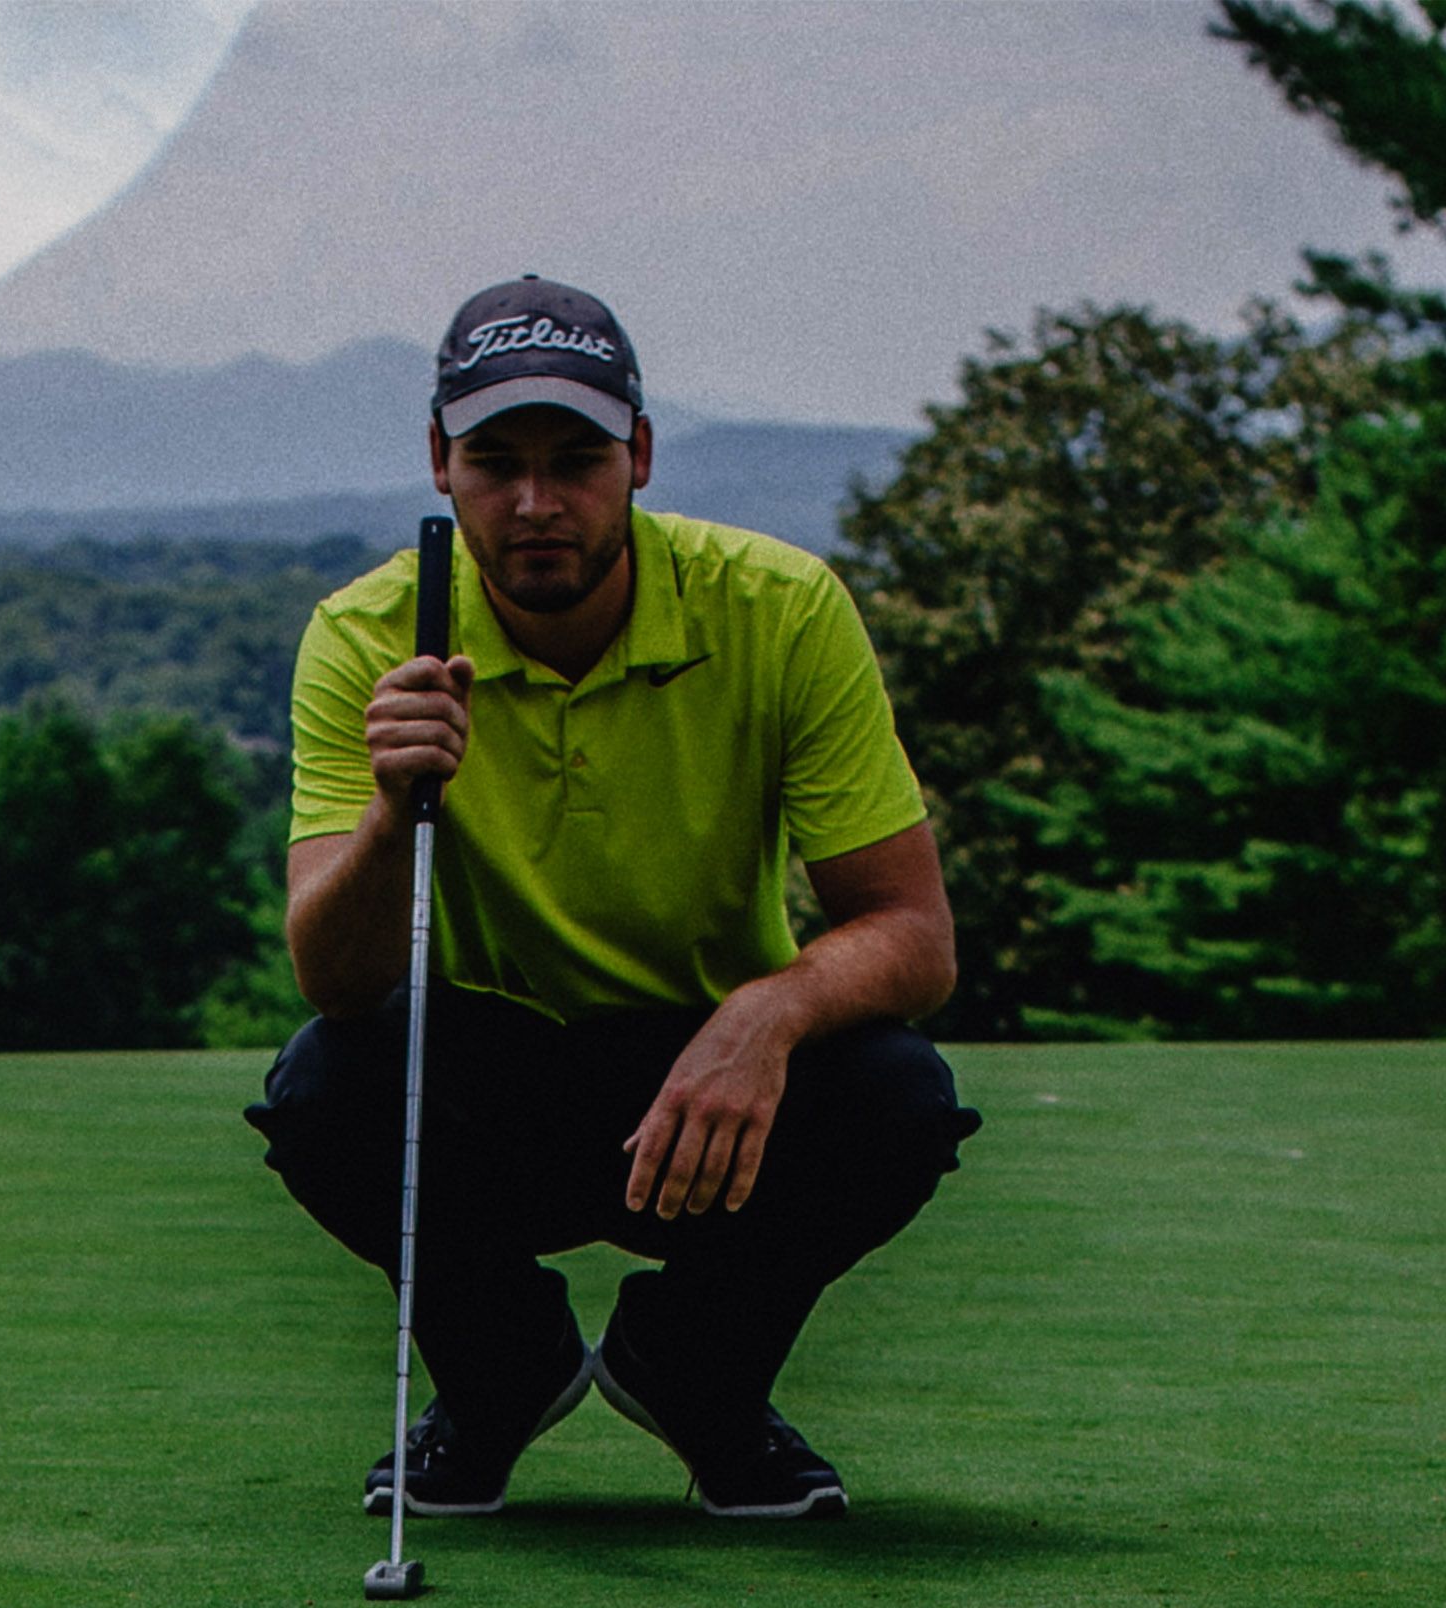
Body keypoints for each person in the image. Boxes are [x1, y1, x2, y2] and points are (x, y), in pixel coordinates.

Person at [250, 275, 977, 1523]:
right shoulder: (368, 632)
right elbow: (337, 978)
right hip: (484, 1073)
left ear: (638, 455)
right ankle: (499, 1380)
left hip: (710, 1080)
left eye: (576, 459)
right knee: (324, 1089)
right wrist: (391, 806)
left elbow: (913, 935)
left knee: (897, 1099)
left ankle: (695, 1382)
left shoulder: (781, 610)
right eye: (496, 461)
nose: (537, 503)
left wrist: (768, 1014)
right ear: (440, 463)